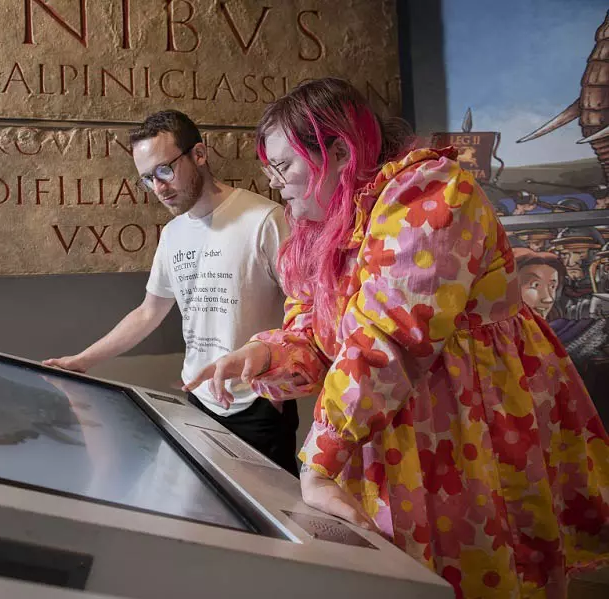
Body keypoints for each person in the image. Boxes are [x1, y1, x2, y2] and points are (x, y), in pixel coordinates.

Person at [185, 79, 609, 597]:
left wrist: (319, 461)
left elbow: (391, 335)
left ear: (340, 151)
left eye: (285, 167)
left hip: (468, 419)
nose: (274, 183)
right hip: (386, 419)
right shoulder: (328, 222)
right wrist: (265, 351)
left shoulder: (429, 192)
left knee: (481, 568)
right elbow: (316, 325)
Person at [44, 110, 299, 476]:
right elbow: (149, 312)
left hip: (256, 403)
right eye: (148, 179)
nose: (159, 187)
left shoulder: (264, 219)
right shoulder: (173, 234)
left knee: (269, 525)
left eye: (165, 170)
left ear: (199, 154)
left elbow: (306, 308)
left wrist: (279, 381)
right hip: (198, 398)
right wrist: (83, 360)